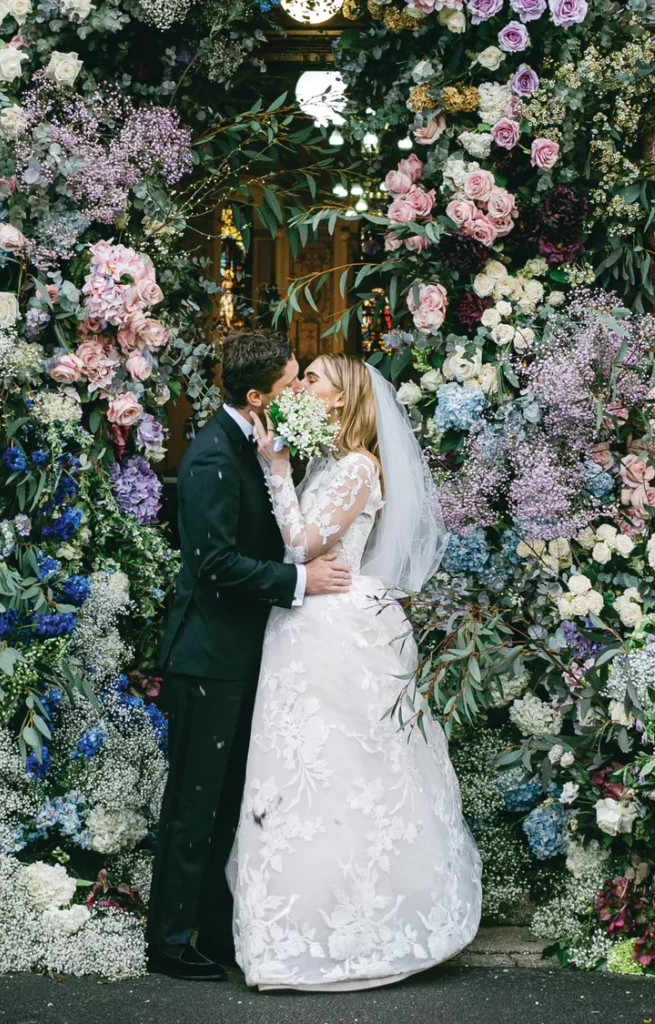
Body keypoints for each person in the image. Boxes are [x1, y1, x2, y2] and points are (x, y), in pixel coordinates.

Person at [227, 352, 483, 991]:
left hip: (334, 631)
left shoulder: (360, 467)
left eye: (312, 378)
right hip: (304, 626)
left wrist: (276, 471)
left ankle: (356, 930)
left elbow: (301, 545)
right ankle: (290, 932)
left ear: (341, 401)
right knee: (297, 773)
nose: (301, 385)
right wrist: (290, 468)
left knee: (343, 773)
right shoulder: (328, 462)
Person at [146, 330, 352, 981]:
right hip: (206, 660)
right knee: (194, 804)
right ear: (258, 393)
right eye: (292, 382)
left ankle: (209, 928)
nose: (298, 390)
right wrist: (299, 582)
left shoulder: (256, 445)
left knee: (227, 799)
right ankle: (171, 941)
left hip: (237, 655)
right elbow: (213, 566)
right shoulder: (210, 457)